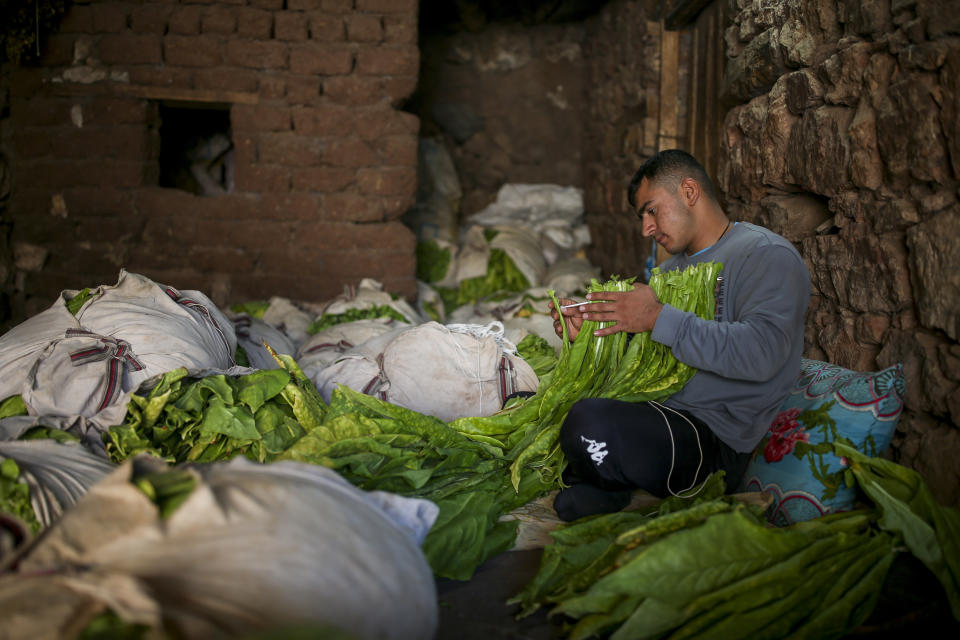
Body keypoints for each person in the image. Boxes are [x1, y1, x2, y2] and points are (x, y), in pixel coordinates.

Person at [548, 149, 811, 521]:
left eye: (652, 210)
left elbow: (762, 354)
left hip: (713, 439)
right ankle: (606, 481)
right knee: (562, 407)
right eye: (642, 217)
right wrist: (588, 335)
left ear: (689, 191)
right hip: (659, 411)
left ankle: (604, 481)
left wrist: (656, 316)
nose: (646, 229)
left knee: (588, 423)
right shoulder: (671, 269)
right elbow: (652, 351)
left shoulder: (766, 256)